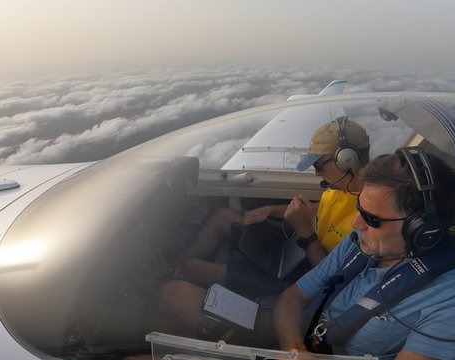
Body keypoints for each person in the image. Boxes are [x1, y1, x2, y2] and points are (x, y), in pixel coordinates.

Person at [156, 118, 371, 339]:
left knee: (176, 287)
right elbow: (319, 208)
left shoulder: (368, 220)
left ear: (346, 160)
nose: (316, 174)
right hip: (297, 258)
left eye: (318, 165)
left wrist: (306, 235)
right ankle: (177, 272)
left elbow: (334, 283)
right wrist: (269, 209)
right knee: (224, 217)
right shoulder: (341, 188)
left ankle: (175, 291)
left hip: (303, 285)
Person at [274, 149, 455, 360]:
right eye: (359, 208)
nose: (355, 223)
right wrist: (294, 349)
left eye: (372, 219)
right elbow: (292, 297)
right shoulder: (359, 241)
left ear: (421, 229)